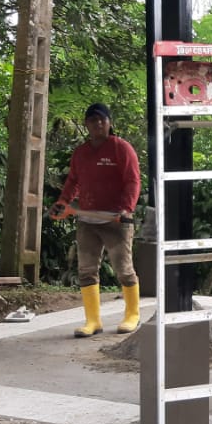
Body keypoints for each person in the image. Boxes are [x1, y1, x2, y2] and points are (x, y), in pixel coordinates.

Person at [49, 102, 142, 338]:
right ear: (86, 124)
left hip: (116, 220)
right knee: (87, 270)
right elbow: (73, 181)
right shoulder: (81, 153)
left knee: (124, 270)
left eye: (102, 119)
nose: (97, 123)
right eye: (92, 120)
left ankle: (132, 314)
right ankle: (93, 321)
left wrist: (126, 209)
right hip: (87, 220)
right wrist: (63, 202)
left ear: (109, 123)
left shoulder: (121, 148)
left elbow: (133, 181)